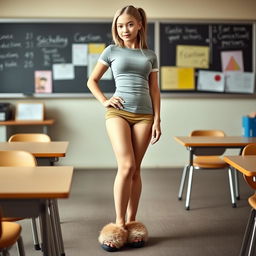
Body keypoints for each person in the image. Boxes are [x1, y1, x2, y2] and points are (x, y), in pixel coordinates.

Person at [87, 5, 161, 252]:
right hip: (117, 112)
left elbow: (154, 89)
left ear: (139, 24)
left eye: (129, 24)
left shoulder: (150, 55)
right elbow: (92, 80)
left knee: (136, 170)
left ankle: (132, 222)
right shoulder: (111, 50)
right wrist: (104, 100)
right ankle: (118, 225)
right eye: (120, 25)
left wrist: (158, 120)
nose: (124, 29)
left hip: (144, 116)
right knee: (126, 165)